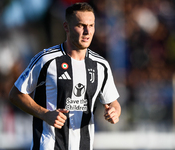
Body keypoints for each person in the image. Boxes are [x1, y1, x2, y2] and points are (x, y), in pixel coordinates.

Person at [9, 2, 121, 150]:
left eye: (91, 25)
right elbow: (16, 94)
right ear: (66, 27)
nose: (87, 31)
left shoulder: (101, 65)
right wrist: (45, 114)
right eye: (81, 25)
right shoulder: (46, 59)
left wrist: (114, 112)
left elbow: (113, 103)